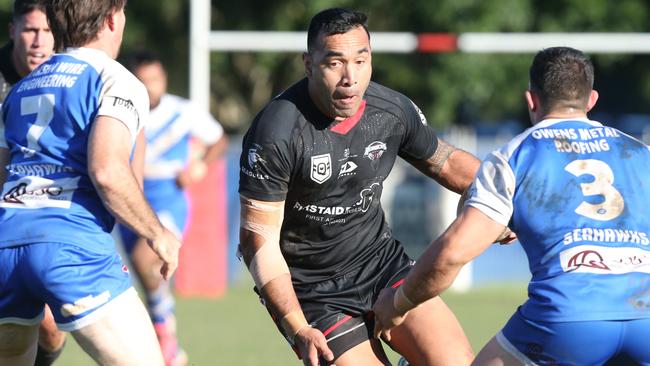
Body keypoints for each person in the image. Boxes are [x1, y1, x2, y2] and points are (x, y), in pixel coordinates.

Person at [373, 46, 650, 365]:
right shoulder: (639, 153)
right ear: (592, 100)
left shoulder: (515, 157)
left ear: (531, 100)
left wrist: (398, 303)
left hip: (567, 319)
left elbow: (451, 255)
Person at [239, 7, 479, 366]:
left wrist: (505, 197)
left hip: (382, 266)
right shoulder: (276, 133)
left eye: (361, 61)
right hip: (314, 291)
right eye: (334, 63)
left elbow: (447, 163)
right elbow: (258, 243)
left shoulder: (391, 111)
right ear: (308, 64)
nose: (350, 77)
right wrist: (296, 327)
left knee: (455, 361)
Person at [0, 0, 181, 365]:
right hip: (70, 246)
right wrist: (157, 233)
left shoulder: (20, 89)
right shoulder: (115, 78)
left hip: (5, 247)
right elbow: (108, 171)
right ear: (112, 19)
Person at [117, 50, 228, 366]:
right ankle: (167, 341)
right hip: (129, 197)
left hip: (168, 197)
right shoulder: (122, 111)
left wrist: (199, 167)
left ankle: (164, 340)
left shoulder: (184, 112)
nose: (152, 86)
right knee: (143, 272)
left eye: (156, 79)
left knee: (145, 257)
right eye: (145, 80)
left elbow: (218, 140)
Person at [0, 1, 68, 365]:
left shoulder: (71, 79)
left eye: (47, 32)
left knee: (51, 331)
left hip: (45, 226)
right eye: (29, 30)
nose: (39, 42)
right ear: (13, 31)